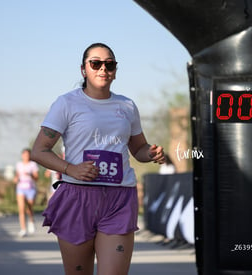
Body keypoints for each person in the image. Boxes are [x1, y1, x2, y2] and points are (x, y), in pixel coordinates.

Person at [31, 42, 166, 275]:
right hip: (77, 197)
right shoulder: (67, 103)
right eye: (96, 63)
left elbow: (139, 149)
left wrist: (151, 153)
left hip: (119, 198)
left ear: (115, 70)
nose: (103, 69)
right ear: (84, 69)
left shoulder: (127, 105)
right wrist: (70, 169)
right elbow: (39, 150)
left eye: (109, 64)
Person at [13, 148, 39, 237]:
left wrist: (30, 175)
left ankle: (31, 220)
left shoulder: (33, 165)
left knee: (29, 207)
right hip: (20, 188)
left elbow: (36, 178)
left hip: (30, 188)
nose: (26, 157)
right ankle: (23, 229)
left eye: (28, 155)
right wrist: (16, 178)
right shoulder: (19, 165)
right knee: (21, 209)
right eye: (24, 155)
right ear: (22, 156)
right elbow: (17, 175)